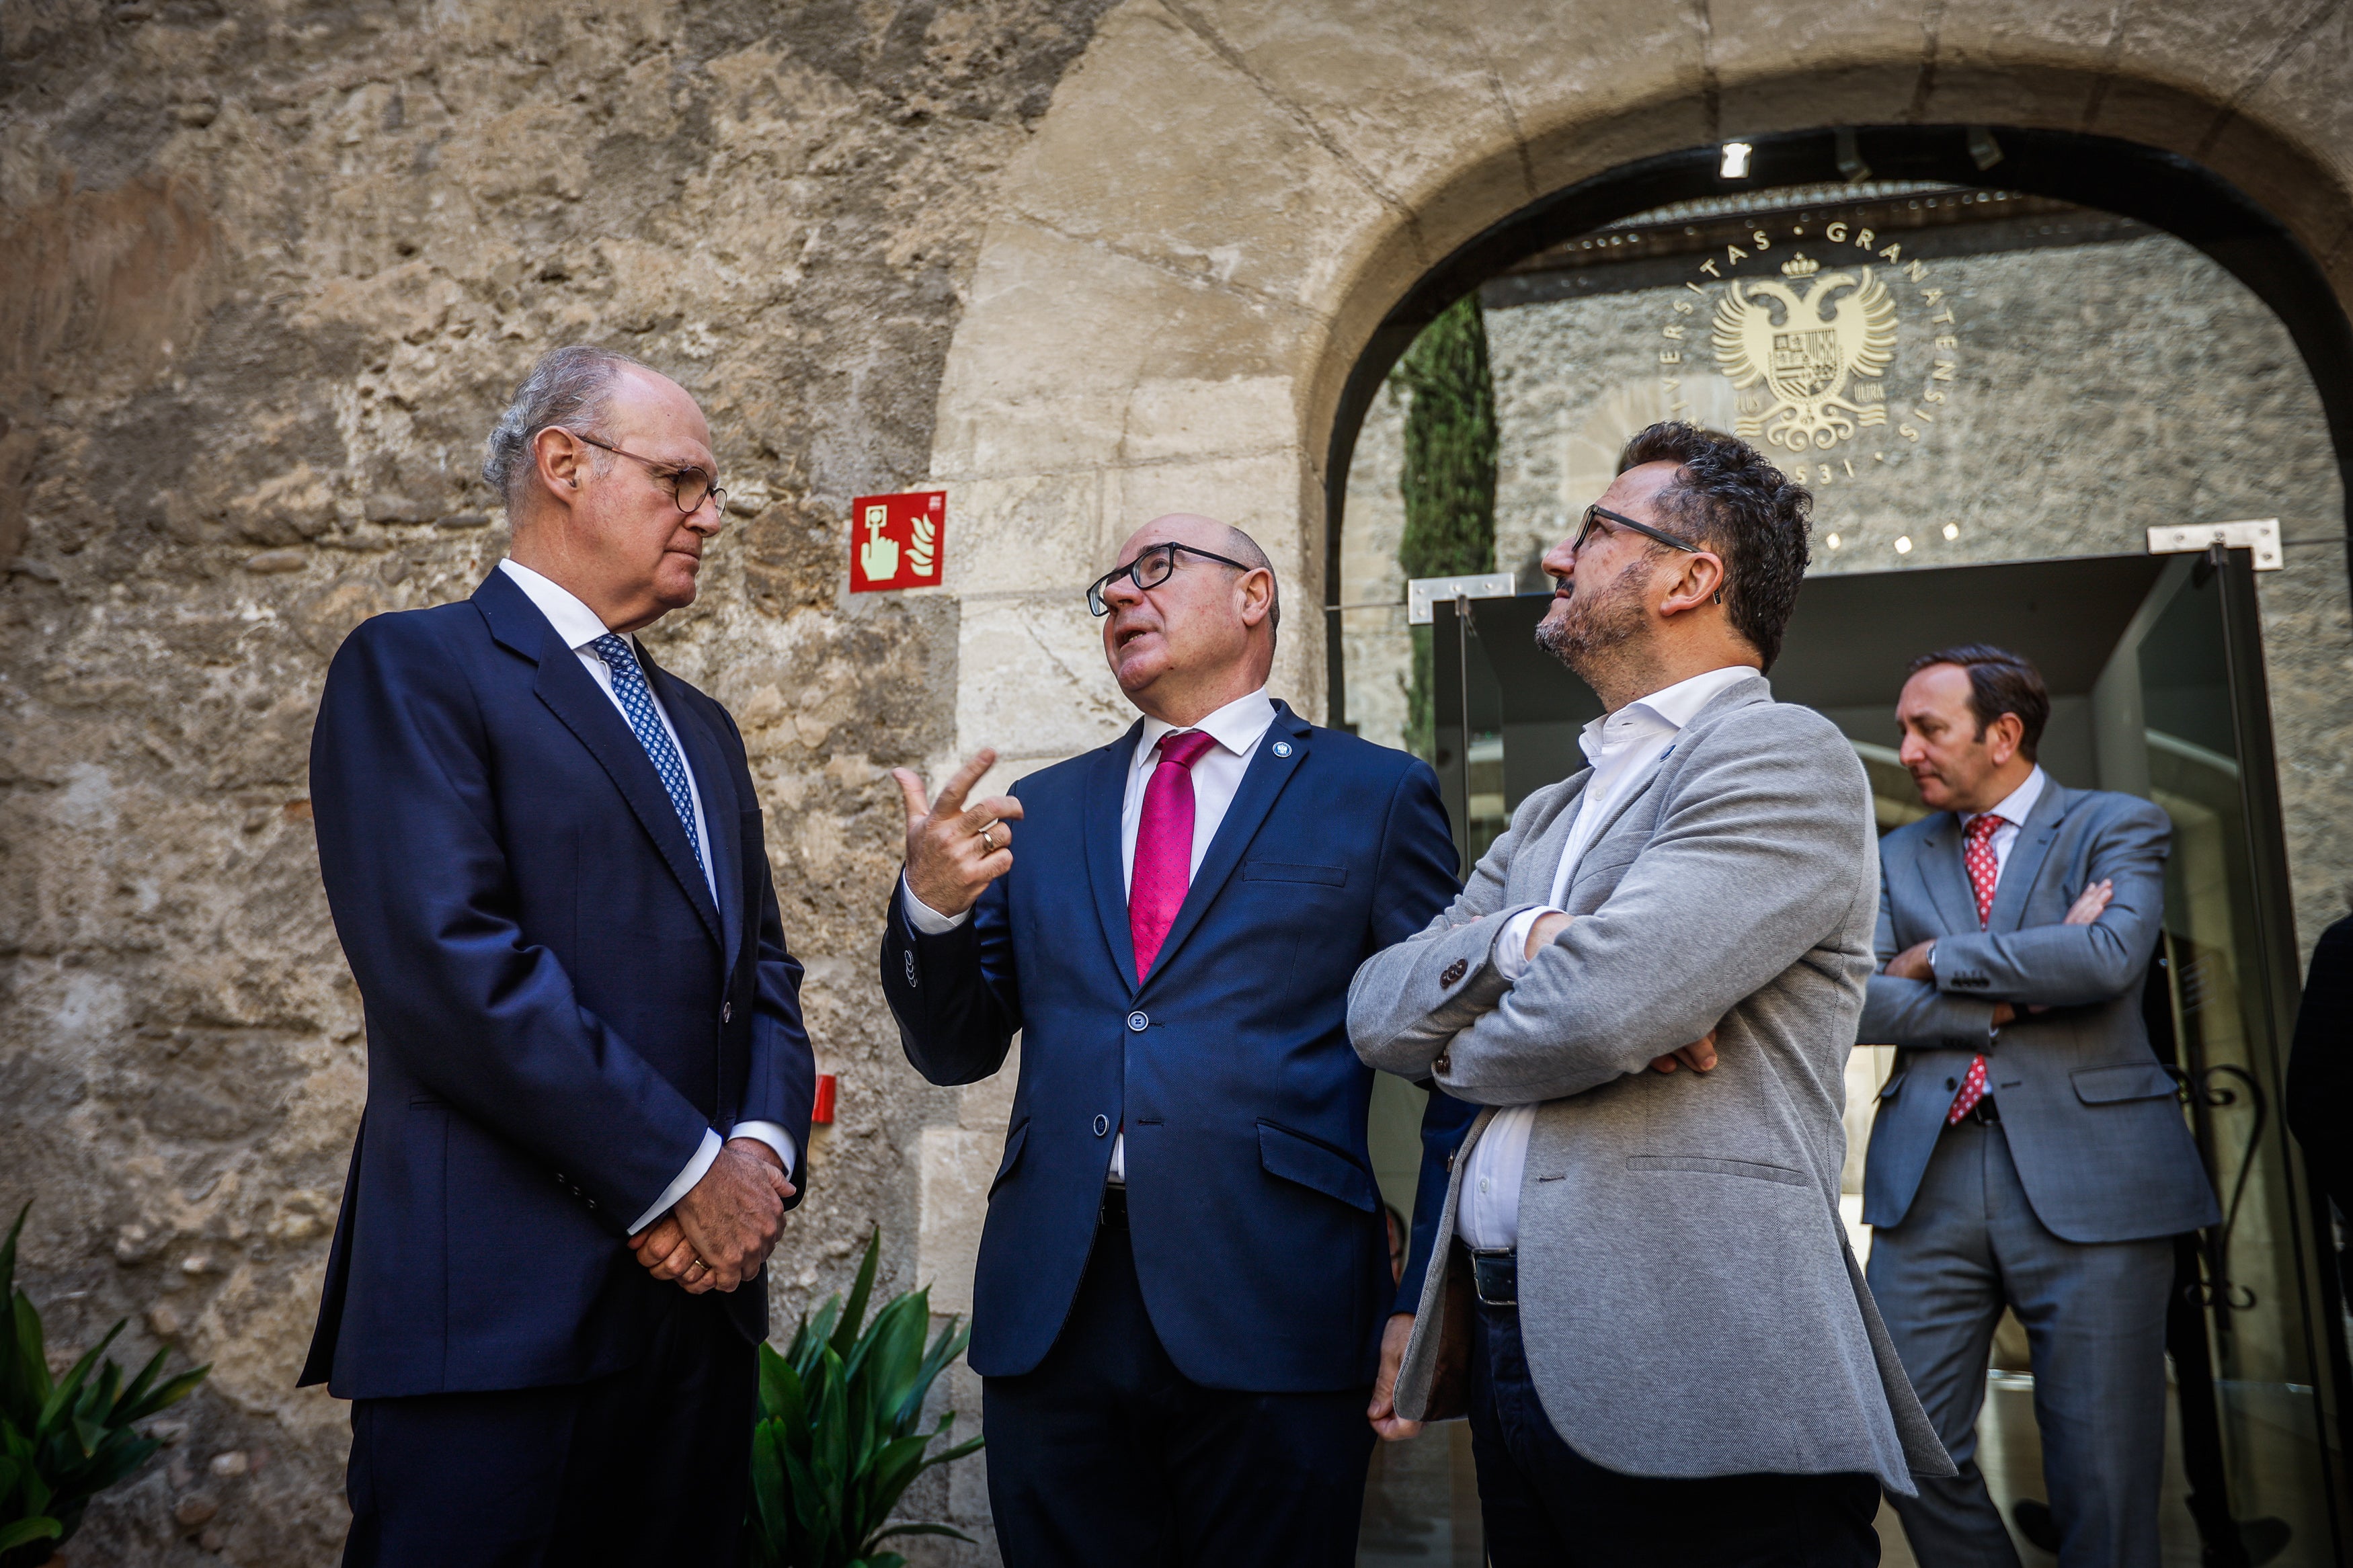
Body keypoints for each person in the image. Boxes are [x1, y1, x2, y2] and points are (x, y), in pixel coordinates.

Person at [1350, 421, 1952, 1567]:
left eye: (1594, 529)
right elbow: (1374, 1008)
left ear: (1691, 575)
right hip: (1514, 1347)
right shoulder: (1544, 813)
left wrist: (1460, 1047)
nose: (1559, 559)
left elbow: (1599, 1011)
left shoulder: (1782, 753)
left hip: (1700, 1357)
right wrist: (1531, 935)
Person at [878, 513, 1474, 1567]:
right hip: (1058, 1308)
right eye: (1107, 584)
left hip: (1278, 1300)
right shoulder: (1043, 810)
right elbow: (955, 1047)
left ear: (1254, 596)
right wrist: (928, 909)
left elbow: (1459, 1064)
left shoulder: (1375, 794)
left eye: (1154, 570)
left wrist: (1418, 1300)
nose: (1119, 597)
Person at [303, 345, 816, 1566]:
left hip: (692, 1327)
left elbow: (766, 980)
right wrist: (684, 1172)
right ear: (564, 465)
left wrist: (757, 1152)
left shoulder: (702, 727)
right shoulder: (415, 667)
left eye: (712, 487)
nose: (710, 514)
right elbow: (451, 964)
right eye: (683, 479)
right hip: (496, 1324)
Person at [1858, 643, 2219, 1568]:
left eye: (1926, 728)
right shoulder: (1893, 855)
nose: (1905, 750)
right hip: (1929, 1178)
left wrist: (1935, 958)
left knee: (2103, 1474)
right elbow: (1856, 1001)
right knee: (1908, 1442)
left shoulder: (2115, 824)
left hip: (2097, 1178)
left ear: (2004, 733)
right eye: (1903, 729)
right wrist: (2023, 984)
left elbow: (2106, 961)